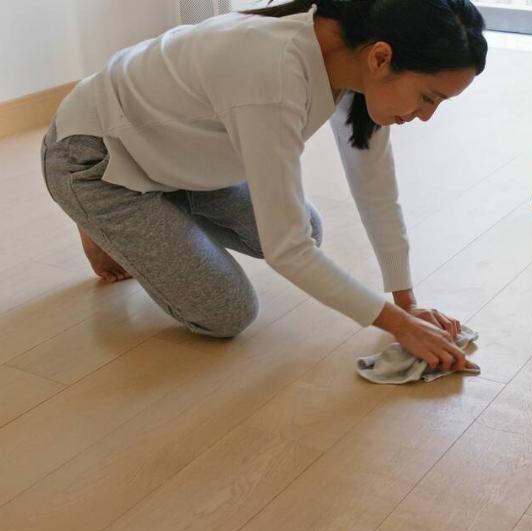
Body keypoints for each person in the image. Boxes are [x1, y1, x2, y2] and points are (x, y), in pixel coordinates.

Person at [40, 0, 487, 372]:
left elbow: (375, 189)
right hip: (97, 156)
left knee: (308, 226)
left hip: (175, 154)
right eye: (430, 97)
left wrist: (405, 300)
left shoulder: (353, 64)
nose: (427, 116)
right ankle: (97, 211)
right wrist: (398, 325)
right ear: (381, 57)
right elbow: (286, 250)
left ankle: (139, 218)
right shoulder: (272, 74)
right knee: (226, 312)